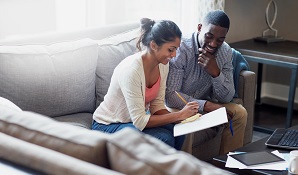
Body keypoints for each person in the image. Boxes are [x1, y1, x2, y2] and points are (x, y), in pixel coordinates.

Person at [92, 18, 199, 150]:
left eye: (176, 49)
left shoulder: (163, 65)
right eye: (171, 49)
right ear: (154, 45)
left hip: (132, 121)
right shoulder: (131, 71)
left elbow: (157, 105)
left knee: (179, 132)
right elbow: (140, 121)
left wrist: (182, 119)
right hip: (108, 124)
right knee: (164, 138)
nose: (174, 54)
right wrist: (178, 115)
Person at [165, 10, 247, 154]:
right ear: (199, 28)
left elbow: (227, 97)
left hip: (203, 104)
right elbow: (171, 96)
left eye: (220, 40)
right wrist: (207, 106)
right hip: (179, 106)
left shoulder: (225, 51)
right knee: (187, 122)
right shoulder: (182, 49)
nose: (213, 44)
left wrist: (216, 73)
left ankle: (228, 165)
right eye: (209, 36)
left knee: (240, 113)